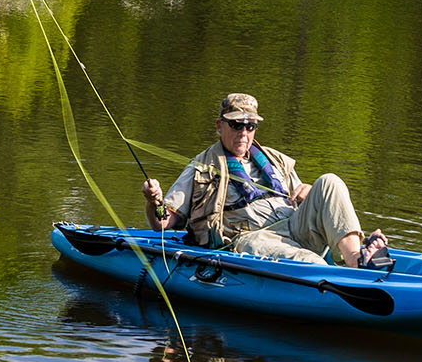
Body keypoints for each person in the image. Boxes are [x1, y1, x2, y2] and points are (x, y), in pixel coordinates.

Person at [141, 93, 390, 269]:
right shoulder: (200, 167)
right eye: (237, 125)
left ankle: (358, 260)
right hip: (250, 237)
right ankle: (331, 277)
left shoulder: (274, 160)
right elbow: (163, 222)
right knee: (310, 262)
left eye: (250, 126)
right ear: (219, 126)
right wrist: (153, 201)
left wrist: (308, 193)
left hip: (293, 227)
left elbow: (312, 203)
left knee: (330, 181)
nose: (244, 133)